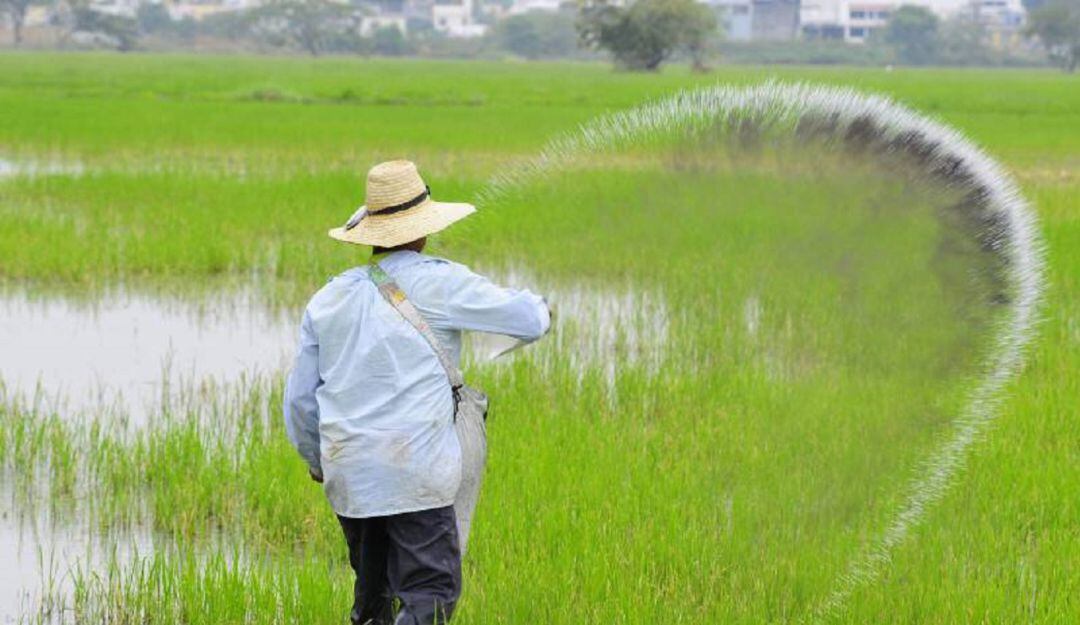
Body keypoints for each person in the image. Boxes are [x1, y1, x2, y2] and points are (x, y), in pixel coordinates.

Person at [284, 160, 551, 625]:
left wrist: (317, 460)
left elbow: (301, 402)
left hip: (351, 474)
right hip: (416, 473)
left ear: (368, 232)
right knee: (430, 596)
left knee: (372, 603)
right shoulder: (440, 280)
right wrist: (542, 307)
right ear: (424, 230)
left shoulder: (329, 298)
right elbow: (529, 320)